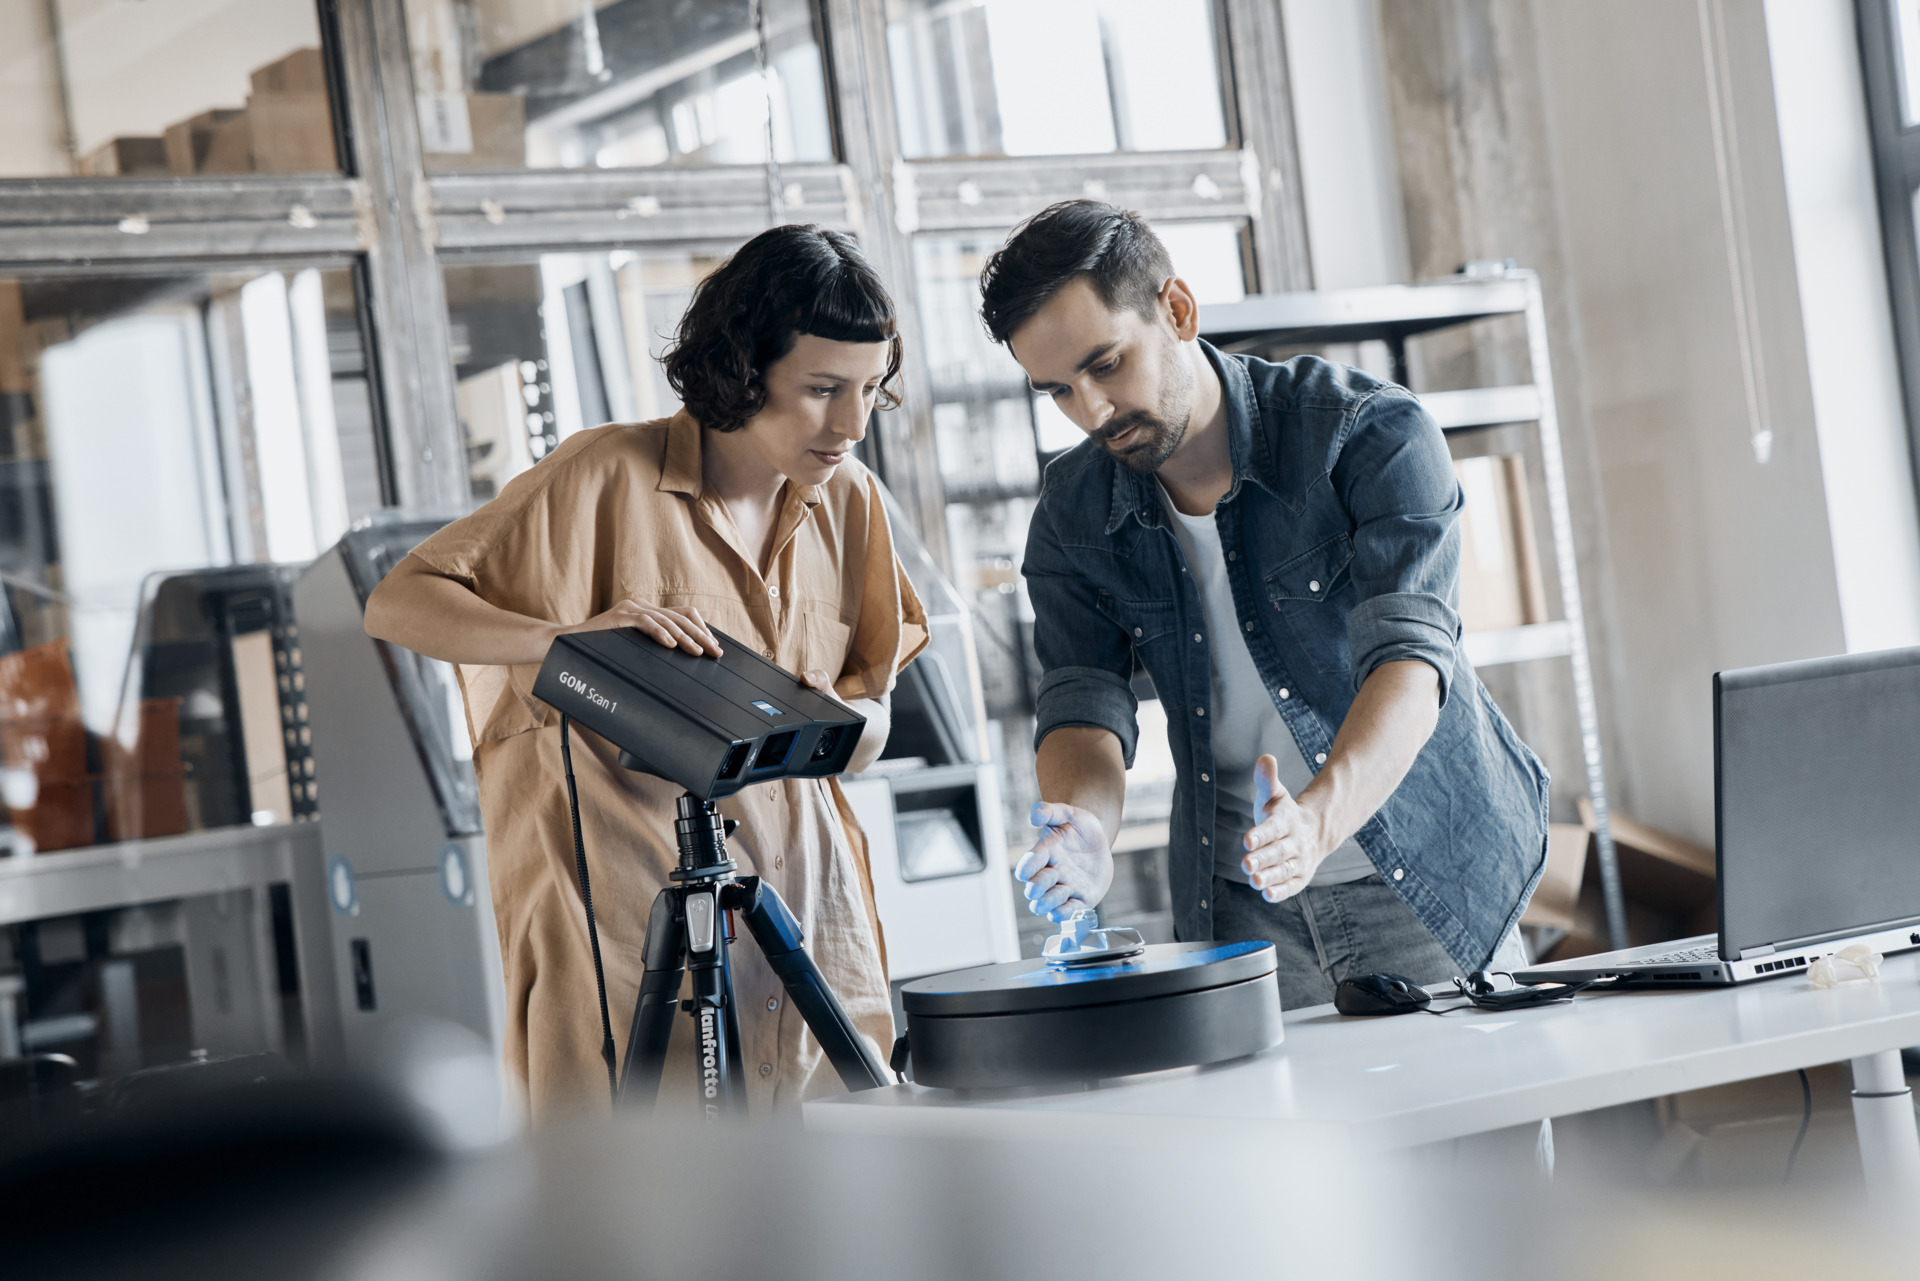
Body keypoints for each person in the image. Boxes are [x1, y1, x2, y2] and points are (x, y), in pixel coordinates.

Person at [364, 225, 927, 1121]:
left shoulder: (847, 497)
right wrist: (566, 643)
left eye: (868, 389)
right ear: (746, 367)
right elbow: (398, 600)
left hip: (808, 918)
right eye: (822, 390)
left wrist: (853, 730)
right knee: (645, 1216)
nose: (850, 424)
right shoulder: (601, 474)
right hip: (631, 926)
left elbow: (874, 691)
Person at [982, 201, 1547, 1009]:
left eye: (1106, 365)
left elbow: (1413, 664)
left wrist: (1316, 823)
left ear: (1176, 310)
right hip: (1243, 907)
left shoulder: (1366, 435)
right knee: (1285, 1140)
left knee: (1476, 1131)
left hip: (1420, 873)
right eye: (1058, 391)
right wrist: (1086, 832)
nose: (1091, 412)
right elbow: (1082, 700)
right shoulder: (1072, 514)